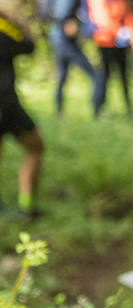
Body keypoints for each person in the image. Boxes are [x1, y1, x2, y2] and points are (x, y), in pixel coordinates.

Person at [0, 7, 42, 219]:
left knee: (35, 147)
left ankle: (25, 207)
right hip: (6, 104)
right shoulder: (4, 29)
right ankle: (26, 206)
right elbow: (29, 45)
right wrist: (17, 22)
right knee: (36, 147)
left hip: (8, 104)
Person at [49, 0, 103, 117]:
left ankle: (59, 112)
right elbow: (61, 14)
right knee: (97, 75)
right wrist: (66, 23)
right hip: (65, 43)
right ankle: (97, 113)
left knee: (62, 77)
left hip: (57, 40)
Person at [88, 0, 133, 115]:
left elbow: (128, 15)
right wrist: (123, 32)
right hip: (105, 42)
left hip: (122, 43)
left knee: (124, 76)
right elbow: (101, 19)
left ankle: (129, 109)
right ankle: (98, 110)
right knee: (103, 76)